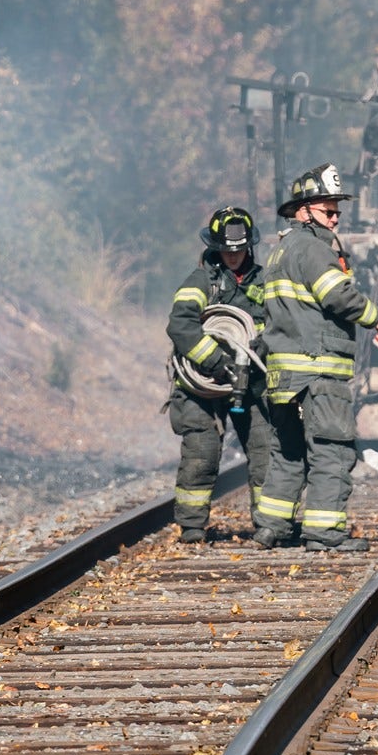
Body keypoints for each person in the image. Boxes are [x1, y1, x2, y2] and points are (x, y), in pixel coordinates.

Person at [254, 164, 378, 551]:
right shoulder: (313, 248)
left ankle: (271, 527)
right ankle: (324, 532)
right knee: (332, 448)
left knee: (288, 452)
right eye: (329, 211)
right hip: (318, 368)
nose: (336, 218)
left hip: (283, 374)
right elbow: (337, 297)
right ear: (303, 210)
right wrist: (377, 317)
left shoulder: (279, 251)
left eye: (337, 212)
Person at [165, 206, 271, 544]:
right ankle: (192, 526)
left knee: (265, 449)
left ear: (249, 247)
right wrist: (214, 361)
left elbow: (280, 326)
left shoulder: (264, 282)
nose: (234, 256)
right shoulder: (201, 281)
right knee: (201, 451)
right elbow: (181, 325)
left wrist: (260, 350)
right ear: (215, 247)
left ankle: (269, 524)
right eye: (227, 250)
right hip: (202, 386)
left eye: (239, 250)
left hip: (250, 383)